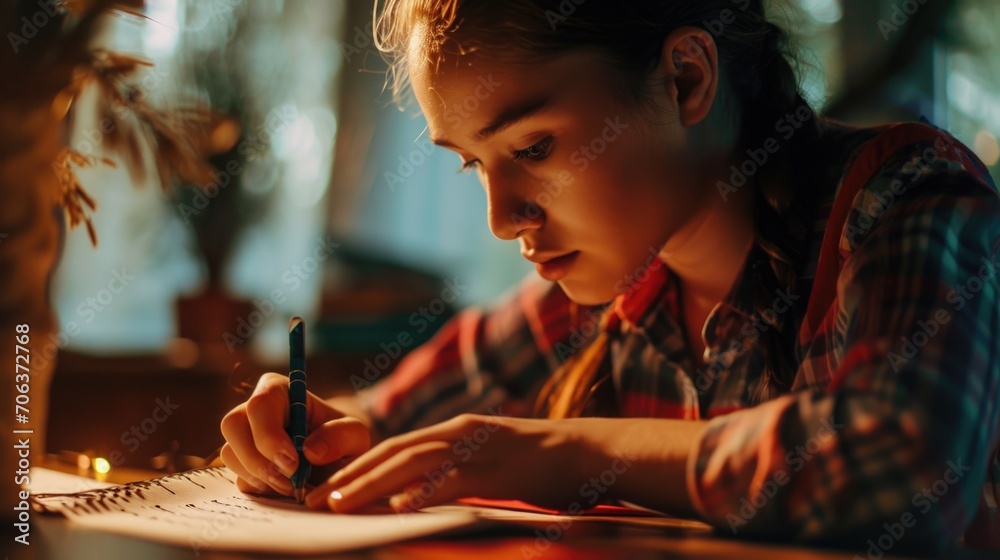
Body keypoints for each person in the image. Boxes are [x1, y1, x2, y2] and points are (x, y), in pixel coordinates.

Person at [220, 0, 1000, 552]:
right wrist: (305, 435)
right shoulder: (604, 299)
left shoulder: (900, 202)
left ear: (687, 78)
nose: (501, 217)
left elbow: (904, 465)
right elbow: (385, 418)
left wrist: (566, 454)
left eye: (532, 150)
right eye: (472, 165)